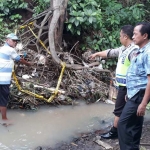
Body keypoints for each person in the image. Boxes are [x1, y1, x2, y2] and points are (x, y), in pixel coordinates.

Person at [89, 25, 139, 139]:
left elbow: (136, 71)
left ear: (125, 37)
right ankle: (123, 128)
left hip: (128, 87)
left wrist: (130, 90)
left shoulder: (133, 51)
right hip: (122, 85)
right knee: (124, 109)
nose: (119, 38)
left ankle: (114, 132)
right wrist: (97, 54)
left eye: (120, 36)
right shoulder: (123, 49)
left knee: (118, 110)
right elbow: (110, 52)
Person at [118, 22, 150, 150]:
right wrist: (129, 93)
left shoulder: (148, 53)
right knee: (135, 124)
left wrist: (143, 104)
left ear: (145, 36)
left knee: (123, 124)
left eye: (136, 34)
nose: (133, 36)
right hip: (134, 94)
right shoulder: (140, 51)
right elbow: (137, 76)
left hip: (139, 95)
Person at [0, 33, 32, 123]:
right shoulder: (10, 50)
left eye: (16, 41)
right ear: (7, 40)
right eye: (13, 40)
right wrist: (29, 64)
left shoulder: (1, 49)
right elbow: (20, 59)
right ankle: (4, 119)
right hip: (3, 80)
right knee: (3, 99)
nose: (15, 43)